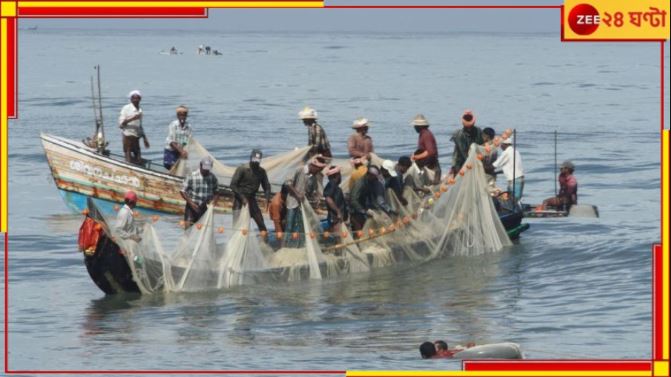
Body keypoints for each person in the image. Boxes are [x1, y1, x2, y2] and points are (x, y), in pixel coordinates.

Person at [284, 156, 327, 247]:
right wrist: (297, 194)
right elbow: (287, 183)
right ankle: (285, 246)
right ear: (313, 166)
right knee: (290, 225)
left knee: (301, 226)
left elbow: (314, 191)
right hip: (292, 202)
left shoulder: (313, 177)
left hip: (303, 204)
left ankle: (300, 246)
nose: (319, 171)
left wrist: (316, 198)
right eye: (319, 169)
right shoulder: (299, 170)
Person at [230, 149, 272, 233]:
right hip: (239, 199)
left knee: (261, 224)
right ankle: (235, 243)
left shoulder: (261, 172)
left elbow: (266, 186)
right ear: (250, 158)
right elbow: (233, 185)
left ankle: (264, 244)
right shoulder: (242, 169)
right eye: (254, 160)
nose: (256, 162)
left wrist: (267, 198)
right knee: (236, 226)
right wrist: (242, 198)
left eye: (258, 161)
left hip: (252, 199)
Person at [349, 166, 395, 233]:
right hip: (355, 210)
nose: (376, 178)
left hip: (365, 207)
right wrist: (363, 210)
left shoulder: (371, 181)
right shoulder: (359, 184)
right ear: (369, 175)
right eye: (375, 176)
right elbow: (353, 200)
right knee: (360, 230)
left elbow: (374, 197)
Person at [180, 157, 220, 227]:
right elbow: (182, 191)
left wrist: (213, 202)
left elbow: (216, 192)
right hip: (191, 207)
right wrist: (192, 204)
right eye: (205, 169)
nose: (206, 171)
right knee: (188, 228)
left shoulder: (212, 177)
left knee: (202, 229)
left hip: (204, 206)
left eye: (208, 169)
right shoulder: (192, 175)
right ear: (201, 165)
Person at [118, 90, 150, 164]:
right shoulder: (126, 108)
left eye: (137, 98)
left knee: (138, 157)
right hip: (127, 136)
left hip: (136, 137)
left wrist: (144, 138)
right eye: (134, 98)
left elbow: (139, 126)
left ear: (140, 99)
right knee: (128, 156)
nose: (136, 100)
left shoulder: (140, 110)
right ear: (131, 99)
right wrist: (132, 118)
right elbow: (121, 124)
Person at [450, 109, 483, 175]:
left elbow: (481, 146)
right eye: (467, 128)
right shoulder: (459, 135)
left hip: (475, 161)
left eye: (470, 127)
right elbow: (462, 152)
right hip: (460, 163)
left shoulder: (478, 131)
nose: (469, 129)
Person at [410, 114, 441, 184]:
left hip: (432, 169)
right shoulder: (423, 134)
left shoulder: (426, 135)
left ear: (419, 126)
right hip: (429, 167)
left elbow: (431, 152)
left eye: (415, 126)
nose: (414, 127)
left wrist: (416, 157)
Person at [492, 137, 524, 202]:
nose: (500, 146)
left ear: (504, 144)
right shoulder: (515, 151)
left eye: (501, 145)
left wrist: (484, 169)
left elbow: (495, 165)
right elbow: (510, 167)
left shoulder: (506, 152)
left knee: (512, 201)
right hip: (520, 178)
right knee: (515, 200)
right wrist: (496, 173)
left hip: (514, 180)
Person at [163, 105, 192, 170]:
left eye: (184, 115)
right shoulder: (173, 125)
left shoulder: (188, 126)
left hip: (181, 150)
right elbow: (171, 141)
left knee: (181, 169)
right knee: (172, 167)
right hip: (171, 150)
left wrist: (184, 151)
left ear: (186, 116)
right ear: (177, 116)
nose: (182, 117)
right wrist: (181, 151)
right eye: (180, 115)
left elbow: (188, 140)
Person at [323, 166, 347, 232]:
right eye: (340, 174)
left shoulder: (334, 186)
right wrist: (338, 211)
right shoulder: (332, 184)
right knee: (338, 237)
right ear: (337, 175)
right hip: (335, 218)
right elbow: (328, 198)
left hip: (337, 218)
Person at [481, 127, 500, 195]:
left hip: (485, 176)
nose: (481, 137)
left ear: (487, 136)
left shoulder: (484, 148)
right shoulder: (494, 148)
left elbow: (488, 164)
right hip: (491, 175)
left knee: (485, 195)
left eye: (482, 135)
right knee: (491, 194)